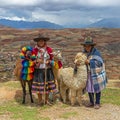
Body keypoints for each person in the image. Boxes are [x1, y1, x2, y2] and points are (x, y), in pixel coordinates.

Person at [81, 36, 107, 109]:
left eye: (88, 46)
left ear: (92, 46)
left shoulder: (96, 53)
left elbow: (99, 63)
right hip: (88, 73)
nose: (87, 47)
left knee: (97, 88)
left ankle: (97, 102)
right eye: (86, 46)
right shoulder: (84, 53)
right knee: (89, 87)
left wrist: (90, 62)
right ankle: (92, 102)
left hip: (96, 74)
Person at [32, 34, 57, 105]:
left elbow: (53, 60)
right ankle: (40, 101)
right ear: (37, 42)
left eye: (42, 41)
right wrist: (37, 61)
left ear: (44, 41)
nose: (41, 42)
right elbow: (32, 60)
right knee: (39, 87)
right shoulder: (35, 50)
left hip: (47, 70)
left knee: (47, 86)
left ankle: (46, 100)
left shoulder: (49, 49)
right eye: (39, 41)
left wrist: (49, 61)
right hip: (38, 70)